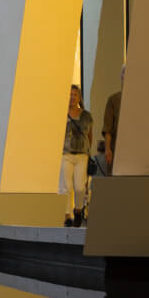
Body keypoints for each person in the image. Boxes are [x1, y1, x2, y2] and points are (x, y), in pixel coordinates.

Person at [60, 83, 92, 227]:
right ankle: (67, 216)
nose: (72, 97)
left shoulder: (86, 116)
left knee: (80, 187)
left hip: (82, 155)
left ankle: (78, 210)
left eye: (75, 95)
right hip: (65, 153)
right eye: (70, 94)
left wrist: (88, 152)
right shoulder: (61, 113)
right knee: (66, 186)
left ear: (79, 97)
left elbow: (89, 136)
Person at [103, 65, 125, 171]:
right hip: (116, 147)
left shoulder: (141, 99)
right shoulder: (113, 100)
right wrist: (107, 149)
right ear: (121, 76)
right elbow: (107, 128)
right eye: (124, 73)